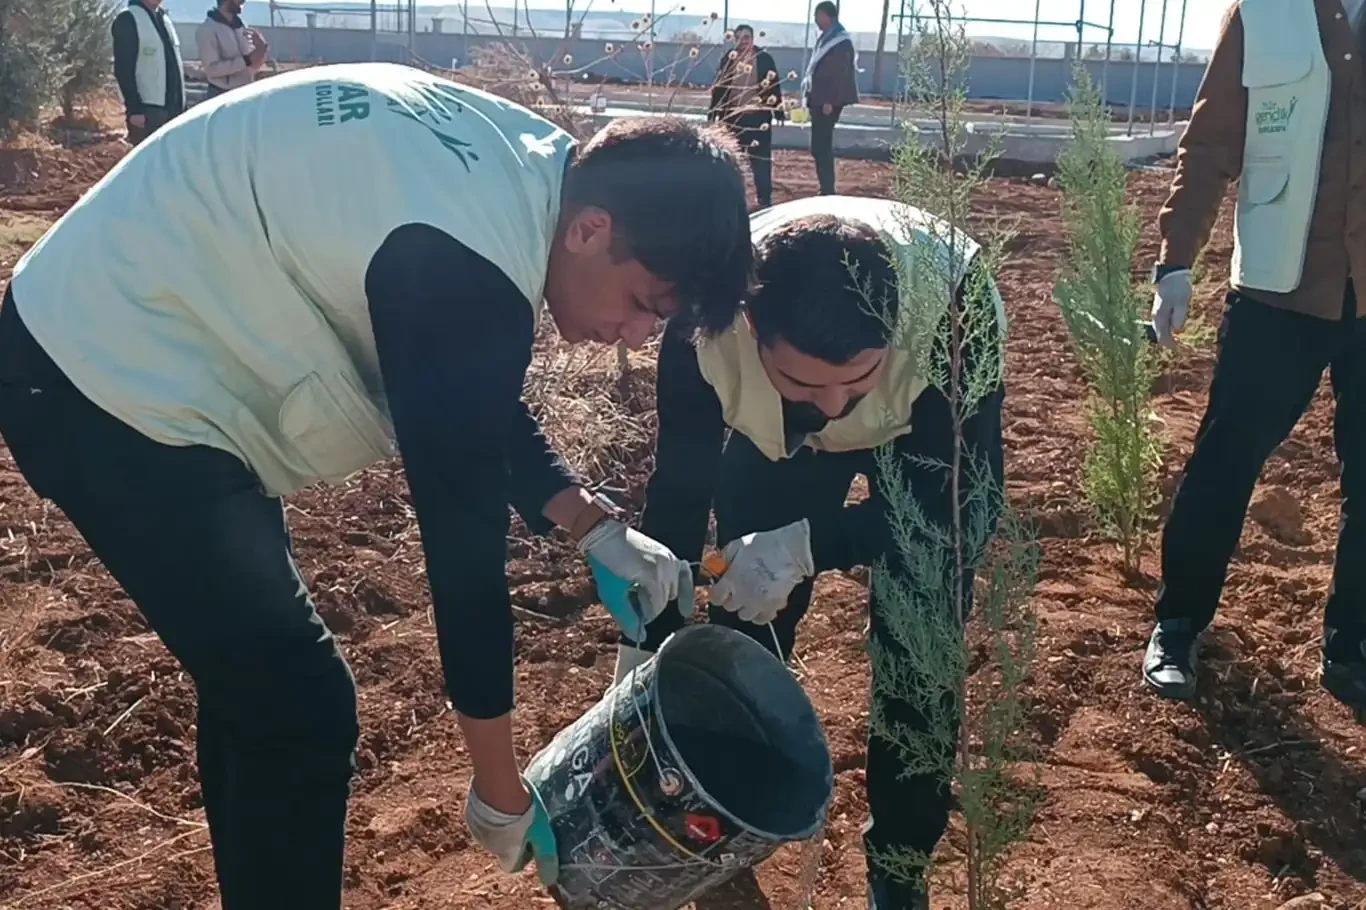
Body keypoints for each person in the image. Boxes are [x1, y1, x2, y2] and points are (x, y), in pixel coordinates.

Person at [0, 62, 752, 908]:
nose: (639, 333)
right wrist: (498, 787)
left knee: (260, 689)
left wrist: (590, 523)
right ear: (590, 231)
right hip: (101, 378)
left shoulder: (529, 171)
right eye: (645, 302)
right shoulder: (461, 252)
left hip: (155, 343)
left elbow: (459, 383)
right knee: (298, 704)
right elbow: (463, 549)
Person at [620, 196, 1006, 910]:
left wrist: (809, 544)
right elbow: (680, 486)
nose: (831, 407)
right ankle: (722, 821)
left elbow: (960, 512)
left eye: (854, 380)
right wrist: (650, 622)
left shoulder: (957, 315)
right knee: (741, 621)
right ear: (751, 331)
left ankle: (899, 863)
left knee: (921, 643)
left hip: (921, 431)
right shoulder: (701, 333)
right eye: (805, 382)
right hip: (775, 445)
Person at [1142, 0, 1366, 716]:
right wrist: (1176, 261)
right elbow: (1209, 146)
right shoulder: (1264, 15)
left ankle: (1352, 645)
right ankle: (1178, 624)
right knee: (1226, 460)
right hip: (1278, 290)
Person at [709, 24, 785, 209]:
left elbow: (774, 86)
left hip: (758, 120)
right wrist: (713, 111)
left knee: (761, 161)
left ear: (753, 39)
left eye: (747, 37)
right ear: (734, 40)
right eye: (740, 38)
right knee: (733, 161)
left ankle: (764, 200)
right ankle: (734, 200)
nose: (743, 41)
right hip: (733, 119)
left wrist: (778, 110)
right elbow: (719, 87)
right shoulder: (729, 59)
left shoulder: (765, 59)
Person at [801, 1, 858, 196]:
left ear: (827, 16)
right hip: (819, 99)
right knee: (818, 146)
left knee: (821, 145)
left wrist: (829, 101)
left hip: (827, 102)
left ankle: (827, 189)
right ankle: (825, 187)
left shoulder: (840, 41)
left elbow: (838, 74)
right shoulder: (827, 37)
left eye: (818, 16)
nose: (815, 20)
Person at [111, 0, 186, 144]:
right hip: (148, 112)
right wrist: (134, 109)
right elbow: (124, 68)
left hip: (173, 110)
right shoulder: (128, 18)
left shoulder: (165, 19)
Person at [195, 0, 269, 99]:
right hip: (222, 95)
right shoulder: (207, 29)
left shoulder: (241, 25)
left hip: (246, 92)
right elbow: (212, 69)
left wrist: (262, 50)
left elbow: (251, 64)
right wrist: (247, 60)